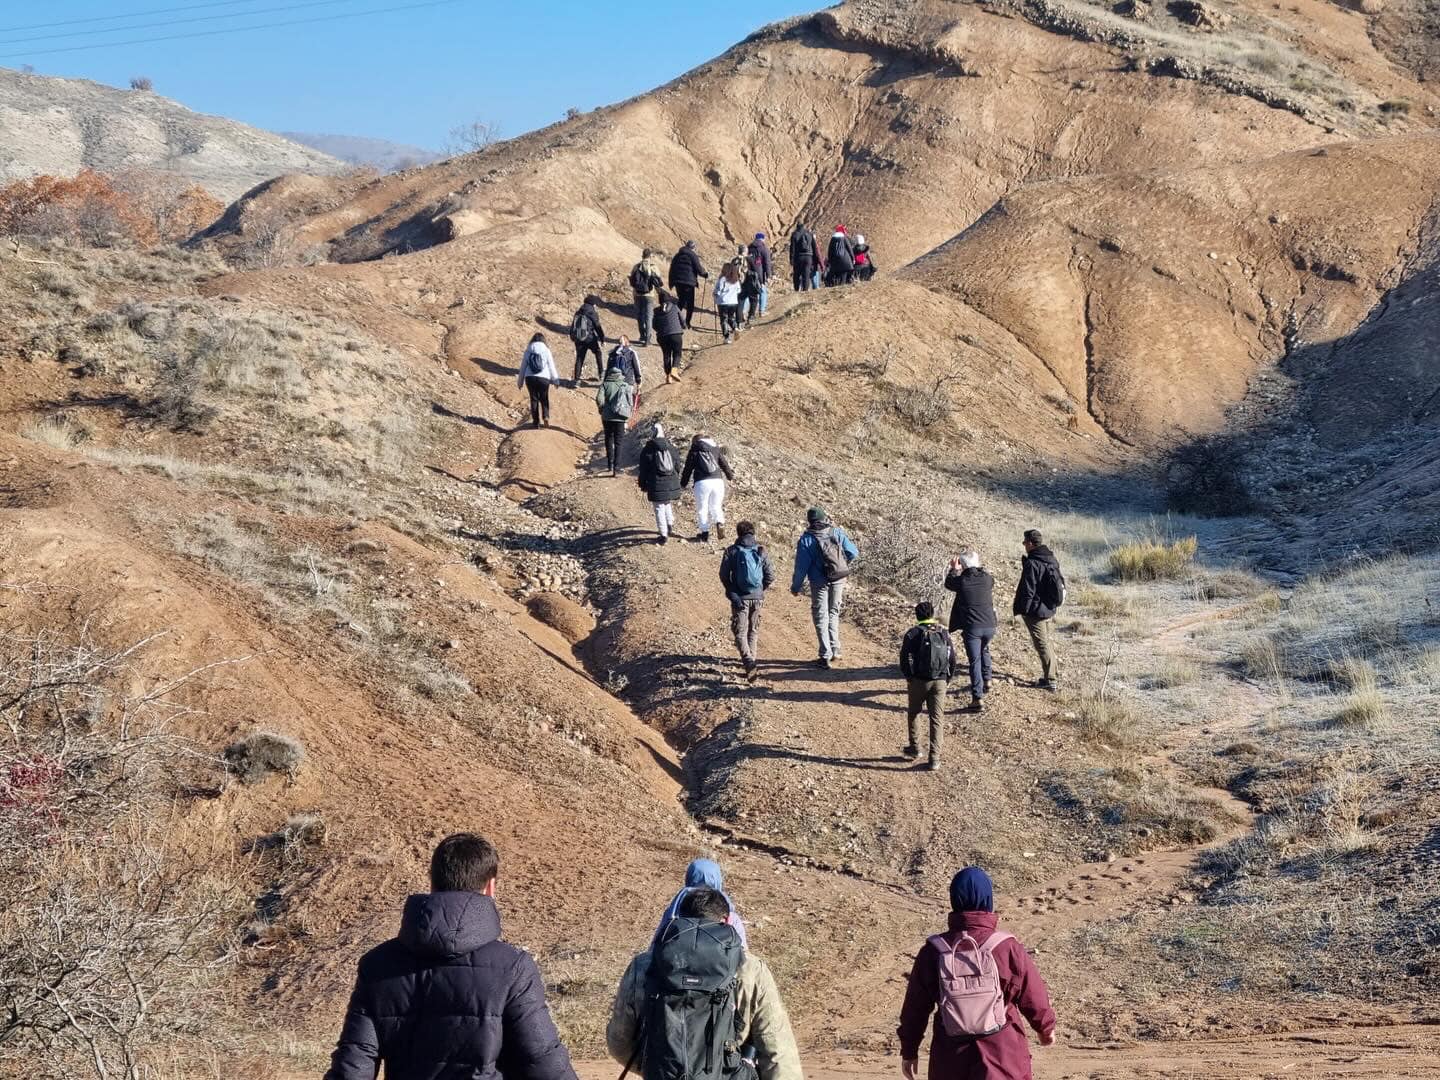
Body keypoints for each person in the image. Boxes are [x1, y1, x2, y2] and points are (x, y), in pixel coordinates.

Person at [324, 833, 576, 1080]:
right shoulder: (514, 967)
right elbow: (543, 1061)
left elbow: (353, 1066)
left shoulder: (377, 965)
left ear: (432, 883)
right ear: (491, 887)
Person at [609, 888, 802, 1080]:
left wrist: (656, 1067)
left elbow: (619, 1042)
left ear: (679, 919)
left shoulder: (644, 965)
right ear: (727, 921)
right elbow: (778, 1052)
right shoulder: (750, 969)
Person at [897, 867, 1056, 1080]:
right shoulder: (1006, 947)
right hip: (1003, 1057)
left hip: (950, 1059)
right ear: (988, 900)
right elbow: (1033, 995)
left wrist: (909, 1051)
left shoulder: (933, 951)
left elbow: (915, 1008)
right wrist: (1045, 1029)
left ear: (954, 899)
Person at [789, 507, 860, 669]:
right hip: (838, 579)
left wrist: (796, 587)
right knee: (833, 612)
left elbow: (801, 568)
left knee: (821, 616)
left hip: (819, 582)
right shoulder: (836, 533)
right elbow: (853, 553)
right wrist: (840, 564)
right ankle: (835, 650)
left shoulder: (806, 540)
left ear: (810, 521)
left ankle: (825, 655)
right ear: (824, 518)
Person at [899, 601, 956, 770]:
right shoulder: (943, 633)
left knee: (914, 713)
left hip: (919, 680)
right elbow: (952, 658)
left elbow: (904, 659)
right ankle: (934, 759)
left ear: (917, 616)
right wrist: (947, 678)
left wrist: (909, 677)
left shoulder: (913, 633)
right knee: (937, 719)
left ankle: (915, 748)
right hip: (940, 680)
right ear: (933, 614)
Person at [650, 857, 748, 949]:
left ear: (689, 876)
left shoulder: (674, 909)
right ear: (718, 878)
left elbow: (655, 945)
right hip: (722, 965)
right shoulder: (729, 914)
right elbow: (742, 950)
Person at [720, 521, 775, 681]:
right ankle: (752, 662)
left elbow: (724, 576)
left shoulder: (731, 551)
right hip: (757, 598)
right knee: (753, 630)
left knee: (739, 632)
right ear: (753, 533)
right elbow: (771, 575)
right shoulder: (761, 550)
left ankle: (748, 661)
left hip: (740, 599)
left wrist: (733, 594)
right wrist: (760, 590)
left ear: (738, 533)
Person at [1012, 529, 1065, 691]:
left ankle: (1050, 679)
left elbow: (1028, 590)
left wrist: (1024, 610)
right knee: (1046, 642)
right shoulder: (1050, 558)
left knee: (1041, 644)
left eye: (1024, 542)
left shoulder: (1033, 563)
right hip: (1048, 608)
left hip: (1036, 611)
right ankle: (1051, 674)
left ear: (1030, 543)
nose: (1023, 545)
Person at [945, 551, 998, 712]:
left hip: (972, 627)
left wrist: (954, 569)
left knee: (974, 660)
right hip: (990, 625)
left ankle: (977, 698)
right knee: (984, 649)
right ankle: (987, 679)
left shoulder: (962, 581)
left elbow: (949, 583)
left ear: (963, 565)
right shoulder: (988, 579)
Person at [680, 433, 735, 543]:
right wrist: (729, 476)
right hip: (718, 481)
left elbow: (688, 468)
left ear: (695, 442)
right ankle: (719, 522)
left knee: (703, 508)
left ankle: (704, 534)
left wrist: (683, 483)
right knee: (716, 506)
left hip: (702, 482)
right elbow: (723, 463)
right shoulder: (715, 448)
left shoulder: (695, 450)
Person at [637, 422, 682, 544]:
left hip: (656, 483)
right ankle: (670, 525)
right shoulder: (671, 447)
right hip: (671, 482)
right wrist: (675, 478)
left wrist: (642, 484)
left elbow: (643, 470)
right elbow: (677, 466)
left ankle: (663, 535)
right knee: (666, 503)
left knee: (659, 508)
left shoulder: (648, 449)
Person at [595, 363, 636, 477]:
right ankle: (617, 468)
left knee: (608, 440)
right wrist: (628, 414)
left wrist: (602, 409)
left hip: (607, 417)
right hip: (621, 418)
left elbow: (599, 399)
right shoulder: (625, 385)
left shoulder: (605, 385)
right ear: (620, 375)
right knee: (619, 442)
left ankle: (610, 465)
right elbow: (630, 403)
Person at [516, 332, 559, 428]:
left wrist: (520, 382)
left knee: (534, 399)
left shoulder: (528, 351)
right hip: (544, 378)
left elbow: (523, 367)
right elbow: (552, 366)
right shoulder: (547, 350)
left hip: (530, 378)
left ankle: (536, 422)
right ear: (544, 340)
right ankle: (546, 416)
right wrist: (556, 380)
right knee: (544, 398)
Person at [668, 240, 708, 330]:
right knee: (690, 304)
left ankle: (674, 320)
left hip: (678, 282)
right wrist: (705, 274)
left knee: (681, 301)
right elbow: (699, 268)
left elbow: (672, 268)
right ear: (693, 248)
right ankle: (687, 322)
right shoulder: (693, 255)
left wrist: (671, 282)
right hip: (689, 283)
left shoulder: (677, 255)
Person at [629, 249, 663, 347]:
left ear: (642, 256)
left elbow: (632, 281)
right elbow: (658, 281)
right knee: (649, 317)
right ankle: (648, 339)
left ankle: (642, 336)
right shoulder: (653, 267)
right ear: (650, 256)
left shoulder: (636, 266)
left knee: (640, 316)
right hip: (649, 295)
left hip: (637, 295)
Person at [570, 294, 606, 385]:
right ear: (593, 304)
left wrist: (573, 337)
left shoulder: (578, 312)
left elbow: (573, 326)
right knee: (598, 352)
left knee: (579, 358)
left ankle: (576, 380)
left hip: (578, 338)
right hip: (589, 338)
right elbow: (597, 326)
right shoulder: (592, 312)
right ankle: (601, 373)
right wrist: (602, 339)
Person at [652, 290, 686, 383]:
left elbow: (654, 325)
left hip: (662, 336)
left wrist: (660, 330)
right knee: (677, 353)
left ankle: (668, 377)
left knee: (666, 355)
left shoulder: (656, 311)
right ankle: (674, 370)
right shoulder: (675, 307)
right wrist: (684, 326)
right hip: (675, 333)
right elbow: (682, 319)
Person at [714, 260, 742, 344]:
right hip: (733, 302)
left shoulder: (722, 279)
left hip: (723, 302)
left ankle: (727, 338)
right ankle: (735, 328)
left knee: (724, 320)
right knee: (731, 317)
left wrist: (715, 294)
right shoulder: (735, 279)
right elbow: (738, 290)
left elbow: (718, 291)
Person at [748, 231, 772, 314]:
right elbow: (767, 263)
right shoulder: (764, 249)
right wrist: (768, 275)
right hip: (759, 274)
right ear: (763, 239)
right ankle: (762, 311)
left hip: (748, 273)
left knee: (749, 292)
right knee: (763, 291)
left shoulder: (749, 248)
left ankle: (744, 312)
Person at [739, 251, 763, 328]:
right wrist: (761, 282)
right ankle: (750, 318)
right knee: (754, 300)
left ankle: (739, 321)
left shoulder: (735, 260)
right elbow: (758, 270)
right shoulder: (751, 259)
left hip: (740, 283)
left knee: (740, 300)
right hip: (751, 282)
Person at [788, 223, 815, 292]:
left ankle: (796, 289)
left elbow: (792, 248)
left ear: (797, 227)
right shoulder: (809, 234)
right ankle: (805, 290)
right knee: (806, 274)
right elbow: (814, 247)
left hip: (798, 257)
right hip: (808, 257)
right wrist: (814, 258)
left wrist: (791, 259)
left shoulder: (794, 234)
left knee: (797, 273)